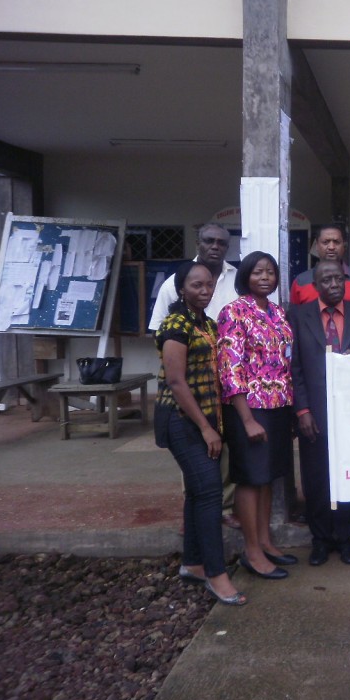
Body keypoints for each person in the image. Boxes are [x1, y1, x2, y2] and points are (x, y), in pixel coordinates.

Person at [153, 261, 246, 606]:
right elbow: (177, 382)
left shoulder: (206, 323)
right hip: (182, 420)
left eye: (208, 285)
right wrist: (207, 429)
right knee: (209, 494)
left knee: (196, 492)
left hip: (205, 417)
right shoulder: (176, 324)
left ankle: (193, 563)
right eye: (196, 285)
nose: (204, 291)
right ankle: (216, 573)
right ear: (181, 289)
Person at [148, 221, 241, 532]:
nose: (215, 246)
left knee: (222, 452)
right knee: (198, 458)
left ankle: (222, 507)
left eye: (221, 242)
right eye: (209, 240)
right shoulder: (174, 285)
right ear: (199, 242)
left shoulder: (235, 278)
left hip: (222, 384)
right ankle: (198, 509)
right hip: (188, 391)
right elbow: (160, 333)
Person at [289, 261, 350, 567]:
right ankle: (321, 539)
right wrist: (302, 410)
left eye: (339, 278)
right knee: (317, 478)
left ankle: (348, 538)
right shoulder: (299, 315)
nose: (335, 284)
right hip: (314, 410)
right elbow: (294, 367)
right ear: (315, 285)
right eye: (327, 279)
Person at [217, 251, 296, 581]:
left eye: (271, 272)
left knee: (268, 476)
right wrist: (247, 419)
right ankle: (251, 551)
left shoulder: (277, 312)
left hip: (278, 406)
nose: (265, 277)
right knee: (250, 477)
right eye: (258, 272)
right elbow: (230, 368)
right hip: (249, 408)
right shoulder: (233, 312)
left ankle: (265, 541)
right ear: (245, 276)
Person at [290, 224, 350, 307]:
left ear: (344, 246)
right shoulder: (301, 282)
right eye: (325, 242)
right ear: (316, 246)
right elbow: (294, 317)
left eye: (336, 242)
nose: (331, 247)